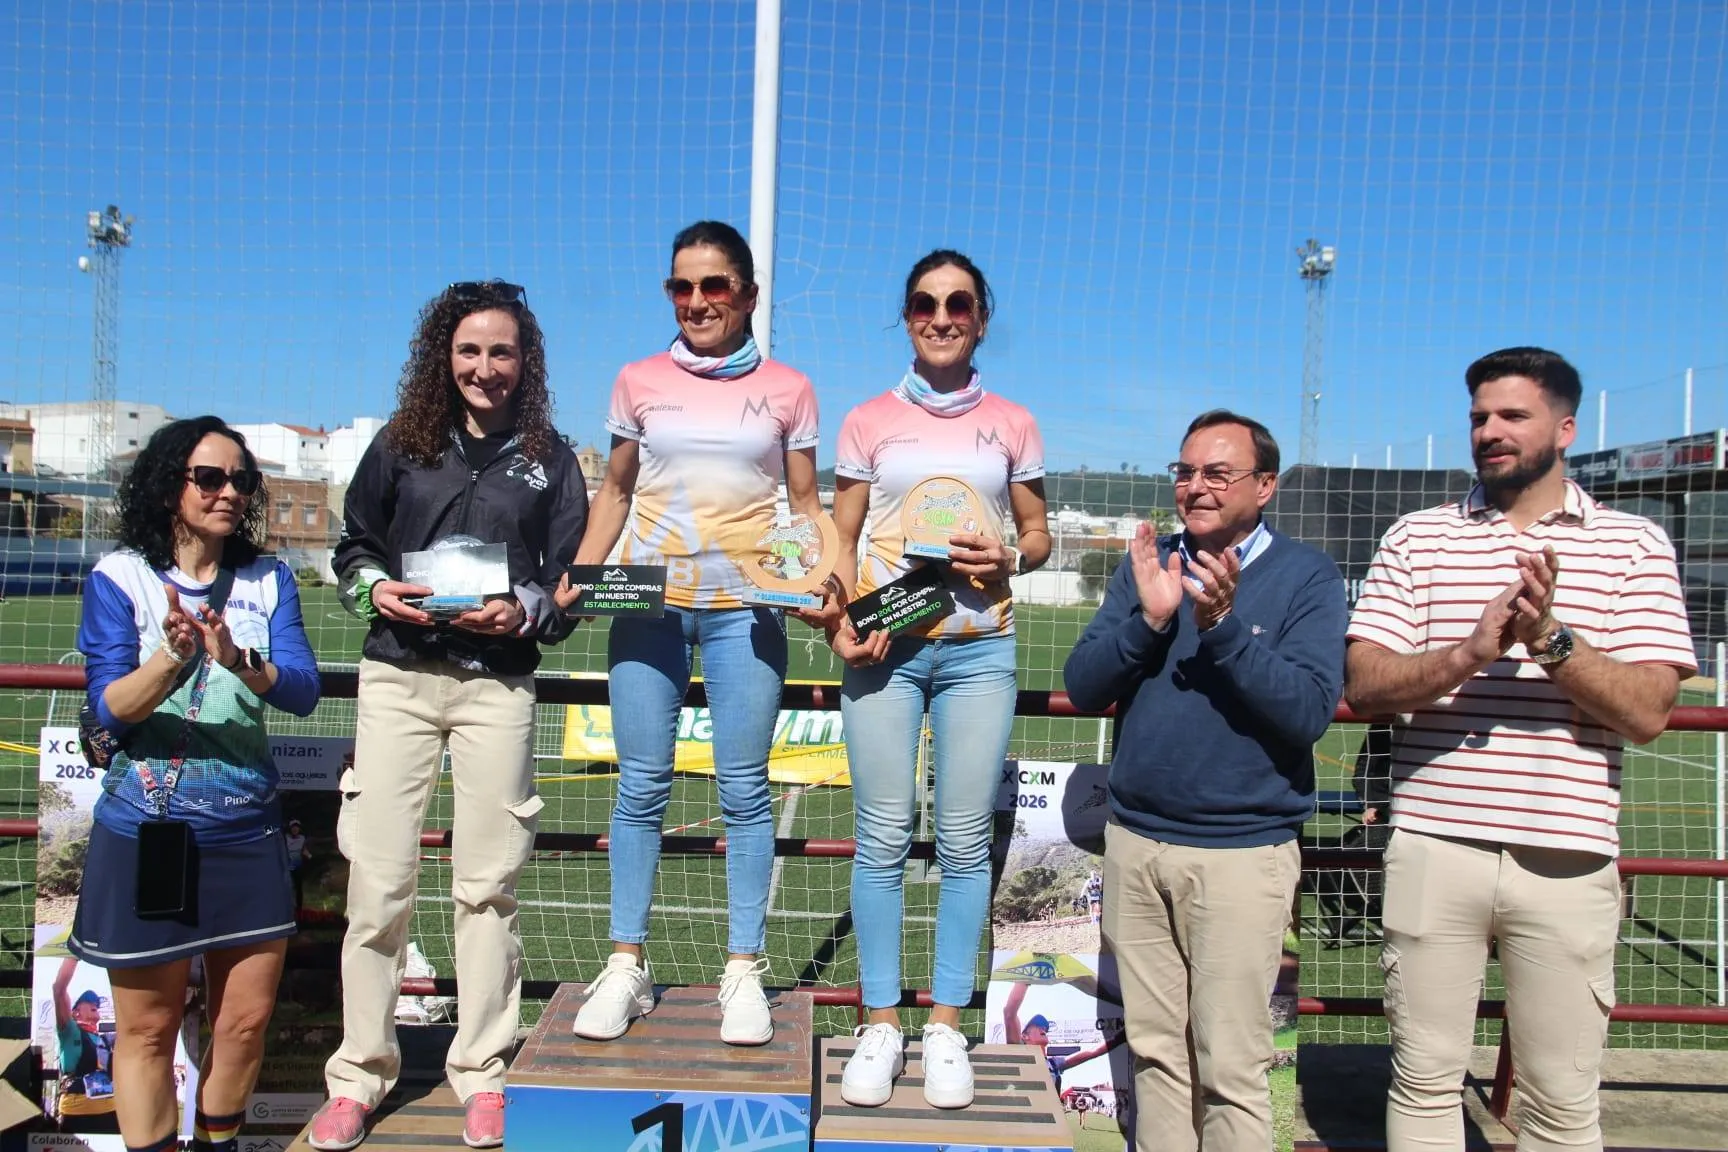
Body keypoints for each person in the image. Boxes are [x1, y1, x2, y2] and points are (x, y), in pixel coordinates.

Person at [1344, 347, 1696, 1152]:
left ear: (1565, 429)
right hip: (1434, 844)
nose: (1489, 432)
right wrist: (1470, 653)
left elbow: (1647, 711)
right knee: (1423, 1084)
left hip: (1567, 857)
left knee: (1561, 1103)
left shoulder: (1633, 543)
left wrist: (1549, 638)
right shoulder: (1418, 537)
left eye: (1512, 416)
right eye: (1479, 417)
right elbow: (1365, 683)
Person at [311, 280, 589, 1151]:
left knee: (487, 887)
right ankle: (359, 1075)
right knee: (377, 884)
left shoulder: (551, 458)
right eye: (469, 350)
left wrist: (525, 610)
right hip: (398, 677)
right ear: (444, 355)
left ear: (525, 362)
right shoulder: (402, 443)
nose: (484, 367)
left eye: (501, 351)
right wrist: (374, 590)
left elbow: (569, 580)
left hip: (496, 687)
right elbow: (353, 546)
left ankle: (482, 1071)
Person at [552, 221, 824, 1048]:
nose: (697, 300)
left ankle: (742, 969)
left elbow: (804, 508)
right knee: (640, 786)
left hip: (747, 610)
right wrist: (581, 572)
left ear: (747, 294)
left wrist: (812, 582)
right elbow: (614, 492)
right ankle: (625, 964)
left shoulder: (790, 389)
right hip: (648, 603)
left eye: (714, 285)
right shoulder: (637, 380)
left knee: (744, 789)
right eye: (682, 286)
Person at [1062, 410, 1346, 1152]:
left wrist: (1222, 629)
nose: (1196, 487)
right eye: (1184, 472)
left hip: (1242, 854)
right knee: (1156, 1055)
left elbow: (1307, 712)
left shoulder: (1307, 576)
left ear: (1265, 486)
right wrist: (1150, 622)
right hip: (1136, 845)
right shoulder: (1149, 565)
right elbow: (1084, 685)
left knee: (1231, 1067)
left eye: (1218, 473)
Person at [826, 249, 1051, 1110]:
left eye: (959, 304)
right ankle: (883, 1023)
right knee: (883, 837)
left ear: (981, 319)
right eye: (925, 303)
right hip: (886, 648)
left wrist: (1011, 555)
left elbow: (1036, 534)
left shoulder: (1015, 422)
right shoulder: (868, 420)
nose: (942, 317)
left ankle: (948, 1026)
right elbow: (841, 536)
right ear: (908, 315)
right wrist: (840, 620)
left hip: (979, 651)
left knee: (962, 843)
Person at [71, 415, 321, 1152]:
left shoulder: (270, 579)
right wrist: (172, 657)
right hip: (148, 833)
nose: (228, 492)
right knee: (147, 1030)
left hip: (247, 831)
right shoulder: (119, 578)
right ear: (168, 486)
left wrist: (238, 660)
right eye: (209, 478)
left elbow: (302, 690)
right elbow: (107, 709)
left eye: (241, 480)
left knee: (243, 1024)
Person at [1001, 982, 1117, 1095]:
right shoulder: (1018, 1052)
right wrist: (1024, 980)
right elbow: (1009, 1013)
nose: (1043, 1029)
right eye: (1038, 1025)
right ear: (1024, 1036)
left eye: (1045, 1028)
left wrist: (1120, 1037)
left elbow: (1093, 1052)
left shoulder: (1054, 1064)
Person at [52, 958, 115, 1117]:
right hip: (76, 1110)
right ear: (75, 1012)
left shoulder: (104, 1041)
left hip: (110, 1110)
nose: (95, 1003)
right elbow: (58, 989)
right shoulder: (70, 1029)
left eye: (97, 1003)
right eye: (88, 1001)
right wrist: (72, 956)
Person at [284, 819, 310, 911]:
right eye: (293, 827)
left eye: (297, 827)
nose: (295, 829)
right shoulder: (285, 838)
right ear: (290, 829)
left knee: (299, 887)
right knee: (289, 888)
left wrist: (310, 856)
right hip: (288, 867)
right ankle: (288, 907)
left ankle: (299, 908)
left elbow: (303, 849)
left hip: (298, 867)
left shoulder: (302, 838)